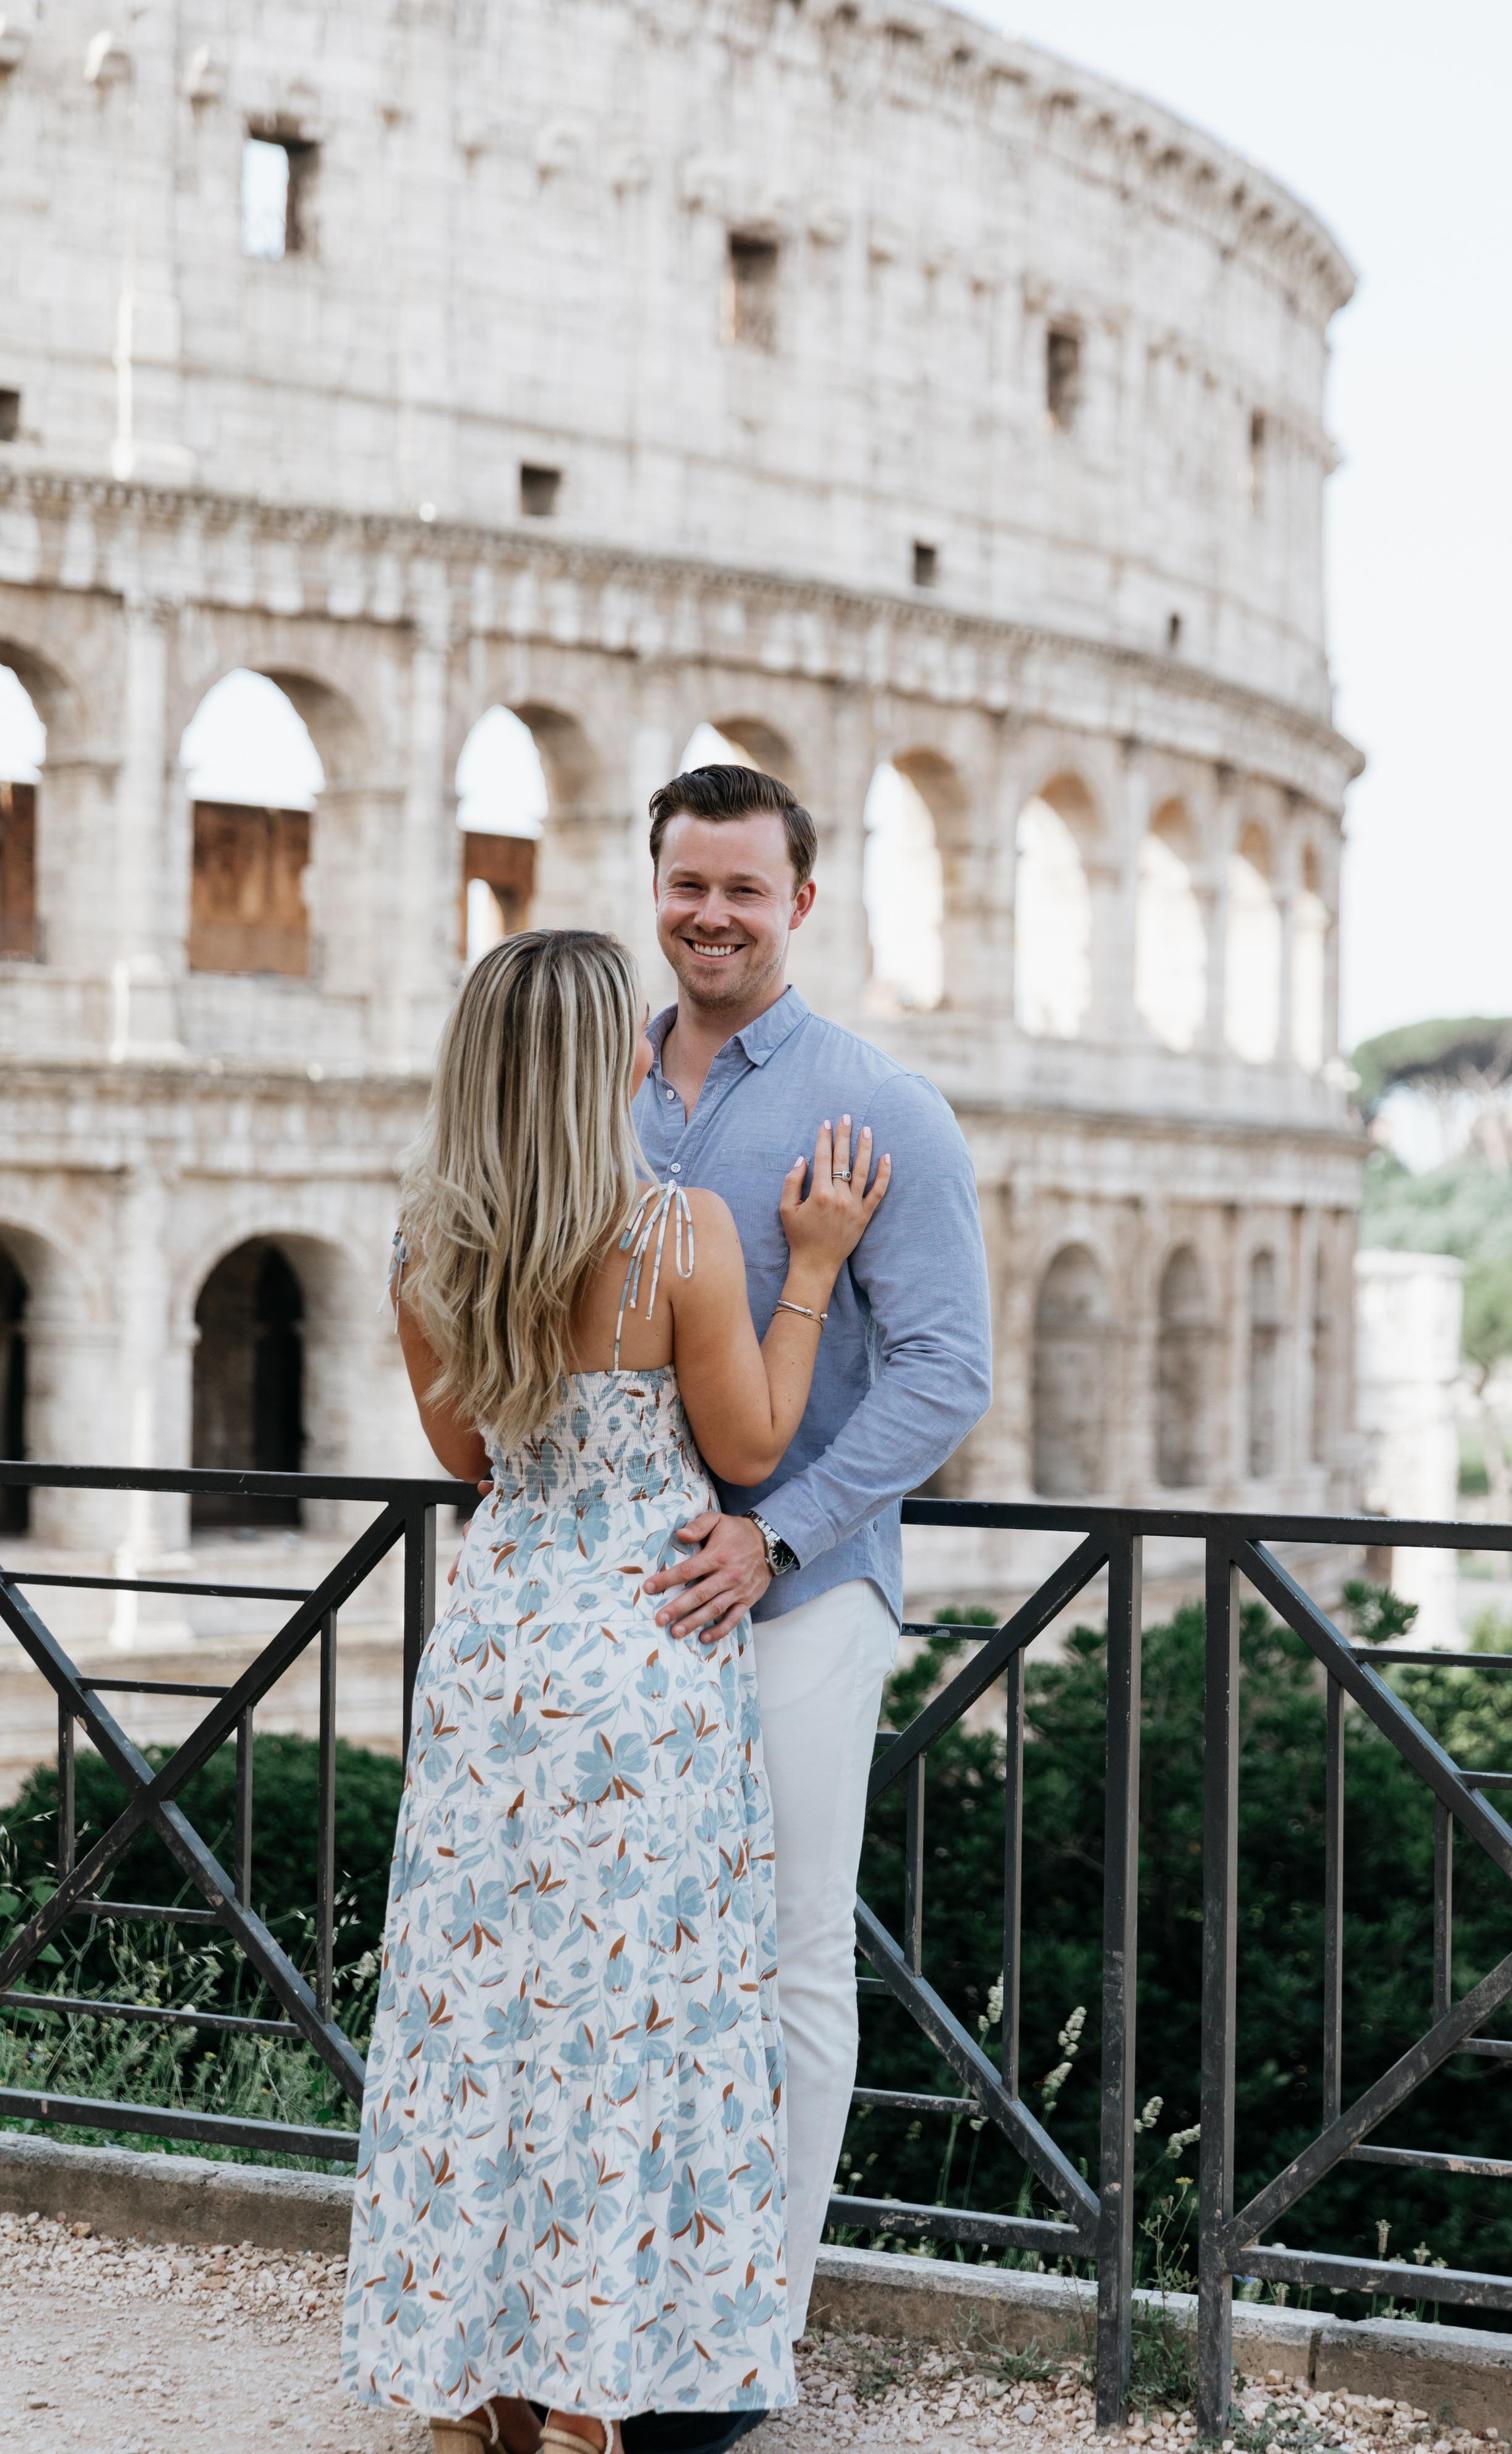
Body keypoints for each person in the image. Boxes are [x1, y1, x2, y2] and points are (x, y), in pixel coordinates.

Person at [341, 927, 890, 2454]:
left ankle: (471, 2398)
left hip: (496, 1658)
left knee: (477, 2026)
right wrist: (820, 1272)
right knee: (623, 2034)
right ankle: (591, 2395)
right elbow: (758, 1447)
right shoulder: (677, 1235)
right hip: (643, 1670)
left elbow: (465, 1461)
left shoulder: (422, 1247)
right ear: (613, 1067)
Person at [623, 763, 994, 2454]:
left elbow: (945, 1375)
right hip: (618, 1607)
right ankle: (622, 2303)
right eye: (686, 885)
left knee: (783, 1970)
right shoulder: (599, 1087)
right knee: (622, 1965)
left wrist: (776, 1534)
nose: (710, 914)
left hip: (797, 1603)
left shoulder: (877, 1106)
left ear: (801, 904)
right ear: (655, 886)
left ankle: (740, 2345)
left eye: (742, 892)